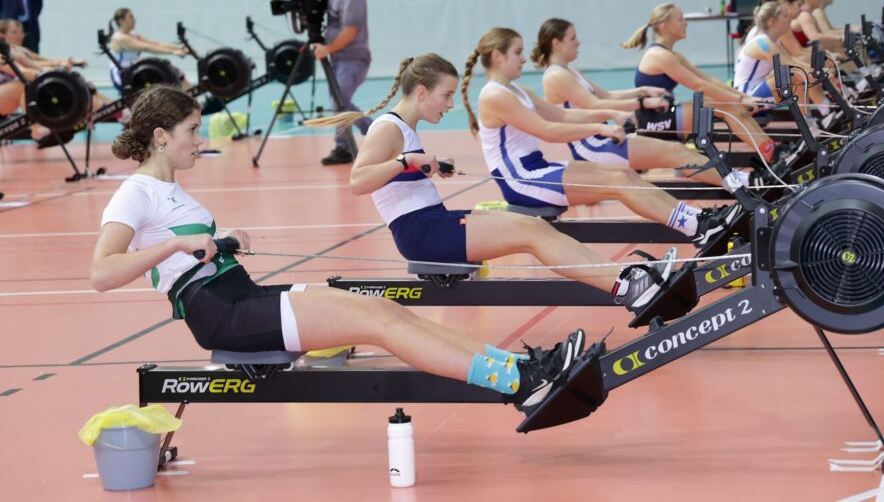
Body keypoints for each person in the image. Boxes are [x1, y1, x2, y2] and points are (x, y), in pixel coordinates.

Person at [90, 84, 589, 417]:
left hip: (236, 295)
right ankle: (522, 385)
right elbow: (103, 273)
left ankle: (522, 371)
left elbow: (185, 248)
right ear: (160, 136)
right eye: (192, 131)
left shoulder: (171, 189)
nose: (200, 141)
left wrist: (224, 241)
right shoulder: (136, 192)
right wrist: (179, 242)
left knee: (383, 310)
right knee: (380, 324)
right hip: (220, 312)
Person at [308, 53, 686, 314]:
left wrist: (426, 166)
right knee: (533, 232)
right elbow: (358, 181)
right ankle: (627, 287)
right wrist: (405, 161)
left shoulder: (403, 128)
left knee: (534, 228)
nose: (450, 104)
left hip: (433, 221)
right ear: (421, 92)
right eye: (445, 95)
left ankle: (625, 281)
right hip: (421, 233)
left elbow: (394, 174)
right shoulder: (388, 128)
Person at [462, 27, 736, 245]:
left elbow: (563, 116)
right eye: (517, 52)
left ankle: (697, 219)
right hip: (521, 180)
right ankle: (697, 226)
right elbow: (547, 131)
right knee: (619, 181)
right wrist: (601, 126)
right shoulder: (495, 96)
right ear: (497, 56)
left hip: (536, 169)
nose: (523, 58)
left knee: (627, 176)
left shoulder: (518, 90)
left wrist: (609, 116)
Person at [534, 17, 760, 188]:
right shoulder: (556, 76)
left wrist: (642, 91)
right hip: (593, 146)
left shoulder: (569, 71)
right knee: (677, 153)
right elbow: (595, 105)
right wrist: (644, 103)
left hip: (604, 139)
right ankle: (744, 182)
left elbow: (607, 96)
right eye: (573, 38)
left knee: (678, 153)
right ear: (556, 43)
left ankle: (743, 181)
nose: (578, 42)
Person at [623, 3, 779, 162]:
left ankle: (769, 147)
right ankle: (769, 152)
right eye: (680, 19)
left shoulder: (673, 55)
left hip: (665, 115)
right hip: (653, 122)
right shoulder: (659, 55)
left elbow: (709, 79)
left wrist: (743, 96)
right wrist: (740, 100)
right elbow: (698, 85)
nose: (686, 23)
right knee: (724, 104)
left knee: (728, 103)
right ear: (665, 27)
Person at [313, 0, 372, 166]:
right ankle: (350, 143)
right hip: (338, 57)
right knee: (339, 102)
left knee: (340, 102)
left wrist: (327, 48)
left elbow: (349, 32)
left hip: (353, 58)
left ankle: (367, 134)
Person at [107, 7, 188, 93]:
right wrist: (173, 52)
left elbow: (155, 43)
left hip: (135, 72)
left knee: (176, 72)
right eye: (131, 17)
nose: (134, 20)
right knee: (163, 77)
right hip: (122, 76)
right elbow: (147, 47)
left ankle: (190, 102)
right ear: (121, 21)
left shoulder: (134, 36)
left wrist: (178, 48)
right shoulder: (120, 38)